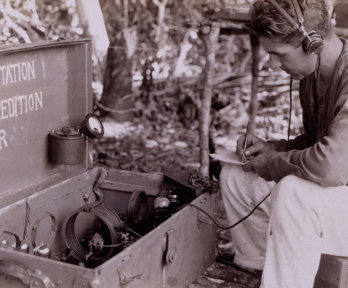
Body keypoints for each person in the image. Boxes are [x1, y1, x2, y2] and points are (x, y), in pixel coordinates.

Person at [219, 0, 348, 287]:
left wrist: (274, 164)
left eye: (278, 54)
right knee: (237, 176)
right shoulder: (311, 76)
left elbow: (330, 167)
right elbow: (317, 142)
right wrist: (273, 149)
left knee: (294, 193)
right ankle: (261, 270)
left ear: (313, 44)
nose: (273, 64)